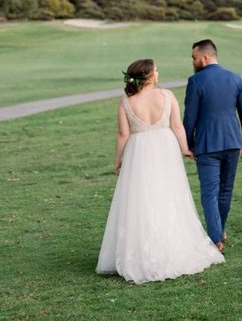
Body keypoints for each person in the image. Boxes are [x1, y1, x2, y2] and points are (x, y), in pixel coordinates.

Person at [96, 59, 225, 283]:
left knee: (141, 200)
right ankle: (170, 247)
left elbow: (123, 135)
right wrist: (185, 148)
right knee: (168, 195)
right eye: (156, 70)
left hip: (138, 152)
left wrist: (118, 160)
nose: (158, 72)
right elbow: (177, 125)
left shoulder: (126, 101)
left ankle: (141, 252)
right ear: (149, 76)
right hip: (165, 148)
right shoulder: (167, 96)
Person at [183, 39, 242, 251]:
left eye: (194, 57)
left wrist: (188, 144)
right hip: (232, 142)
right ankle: (219, 231)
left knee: (209, 193)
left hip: (207, 145)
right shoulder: (235, 77)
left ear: (205, 57)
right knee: (225, 190)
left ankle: (215, 239)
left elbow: (190, 118)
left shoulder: (195, 81)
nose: (193, 61)